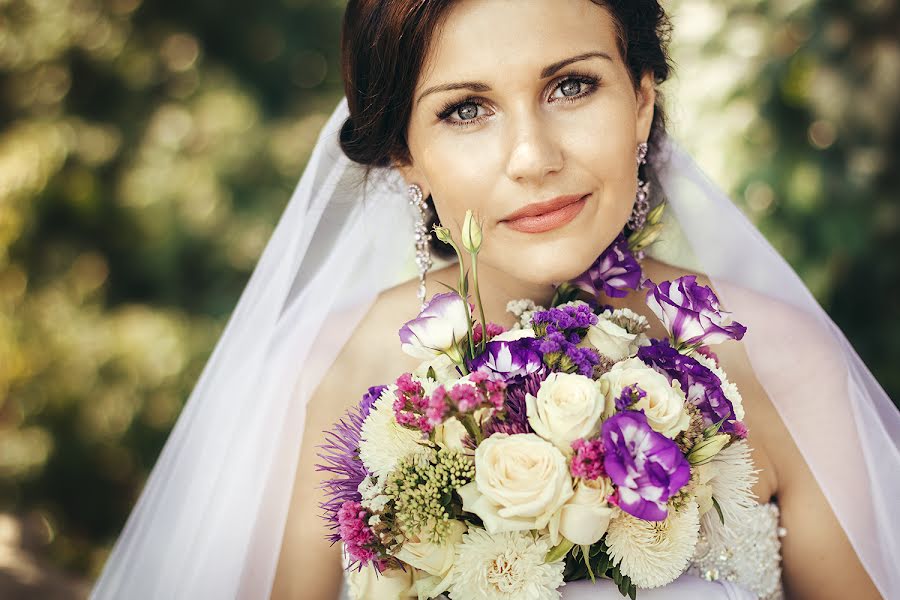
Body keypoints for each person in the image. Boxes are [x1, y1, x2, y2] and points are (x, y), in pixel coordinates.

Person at [91, 1, 899, 599]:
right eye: (466, 109)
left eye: (573, 86)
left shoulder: (782, 363)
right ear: (406, 155)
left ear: (642, 101)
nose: (533, 156)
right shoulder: (332, 374)